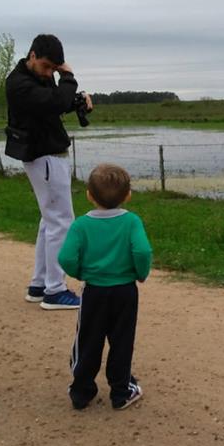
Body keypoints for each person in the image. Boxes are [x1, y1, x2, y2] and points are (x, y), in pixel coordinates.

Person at [5, 34, 92, 310]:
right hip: (45, 157)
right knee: (61, 222)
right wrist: (69, 76)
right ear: (32, 56)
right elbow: (52, 103)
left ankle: (40, 284)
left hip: (45, 155)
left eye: (52, 69)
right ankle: (55, 290)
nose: (48, 73)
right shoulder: (19, 84)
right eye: (45, 66)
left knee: (49, 221)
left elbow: (55, 104)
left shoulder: (35, 79)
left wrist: (76, 100)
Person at [58, 164, 153, 410]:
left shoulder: (81, 225)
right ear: (128, 195)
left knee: (88, 339)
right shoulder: (132, 222)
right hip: (125, 292)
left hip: (94, 292)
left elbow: (66, 257)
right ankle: (121, 392)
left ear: (89, 194)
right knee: (122, 341)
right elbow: (142, 251)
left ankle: (81, 391)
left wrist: (81, 273)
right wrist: (140, 274)